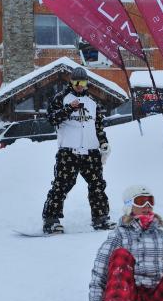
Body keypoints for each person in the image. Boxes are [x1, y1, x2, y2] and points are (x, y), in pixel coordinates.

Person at [42, 66, 114, 235]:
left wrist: (103, 144)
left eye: (83, 82)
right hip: (69, 152)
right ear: (71, 82)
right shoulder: (61, 98)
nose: (80, 85)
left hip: (91, 152)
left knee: (97, 185)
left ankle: (101, 218)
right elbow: (52, 119)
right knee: (62, 185)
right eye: (76, 82)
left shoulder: (93, 103)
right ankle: (51, 220)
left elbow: (98, 127)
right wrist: (69, 109)